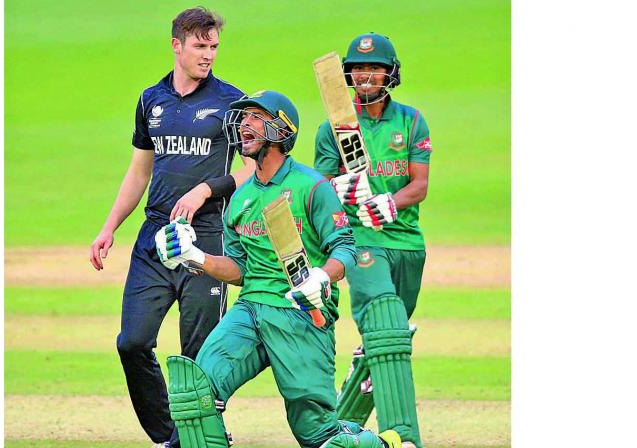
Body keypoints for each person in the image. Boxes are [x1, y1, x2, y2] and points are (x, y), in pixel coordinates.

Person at [155, 90, 403, 448]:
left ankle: (380, 444)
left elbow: (345, 248)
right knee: (197, 391)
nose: (244, 124)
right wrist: (195, 257)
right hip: (250, 310)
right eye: (242, 118)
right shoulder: (240, 199)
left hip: (300, 314)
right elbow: (240, 268)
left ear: (282, 129)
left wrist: (322, 275)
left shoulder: (311, 186)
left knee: (318, 436)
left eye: (256, 117)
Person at [88, 7, 255, 447]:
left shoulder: (232, 102)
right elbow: (139, 172)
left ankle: (197, 437)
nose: (209, 55)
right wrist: (109, 227)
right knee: (132, 342)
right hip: (155, 240)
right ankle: (169, 436)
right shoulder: (150, 100)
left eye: (214, 46)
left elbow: (254, 170)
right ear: (177, 45)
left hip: (207, 239)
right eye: (200, 46)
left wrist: (206, 189)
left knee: (198, 356)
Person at [313, 33, 433, 448]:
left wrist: (392, 205)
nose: (365, 75)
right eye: (359, 68)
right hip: (361, 239)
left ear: (389, 73)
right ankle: (405, 436)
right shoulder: (334, 129)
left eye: (374, 68)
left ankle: (338, 433)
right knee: (384, 324)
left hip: (406, 242)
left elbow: (419, 185)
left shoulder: (411, 120)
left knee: (383, 344)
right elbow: (320, 185)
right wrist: (340, 187)